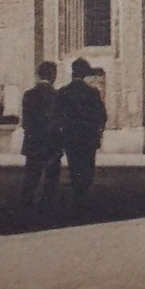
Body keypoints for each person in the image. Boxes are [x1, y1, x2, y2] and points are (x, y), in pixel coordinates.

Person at [55, 58, 109, 211]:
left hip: (70, 137)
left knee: (74, 164)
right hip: (88, 137)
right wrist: (99, 131)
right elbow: (102, 115)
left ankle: (77, 192)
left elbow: (57, 115)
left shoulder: (63, 92)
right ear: (85, 74)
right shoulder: (92, 92)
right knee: (87, 165)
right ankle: (83, 193)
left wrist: (62, 131)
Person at [19, 61, 62, 213]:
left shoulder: (29, 95)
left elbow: (25, 121)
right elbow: (59, 121)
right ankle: (47, 205)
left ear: (39, 74)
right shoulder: (57, 96)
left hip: (33, 141)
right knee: (51, 176)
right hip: (52, 142)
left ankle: (26, 203)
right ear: (53, 75)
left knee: (31, 175)